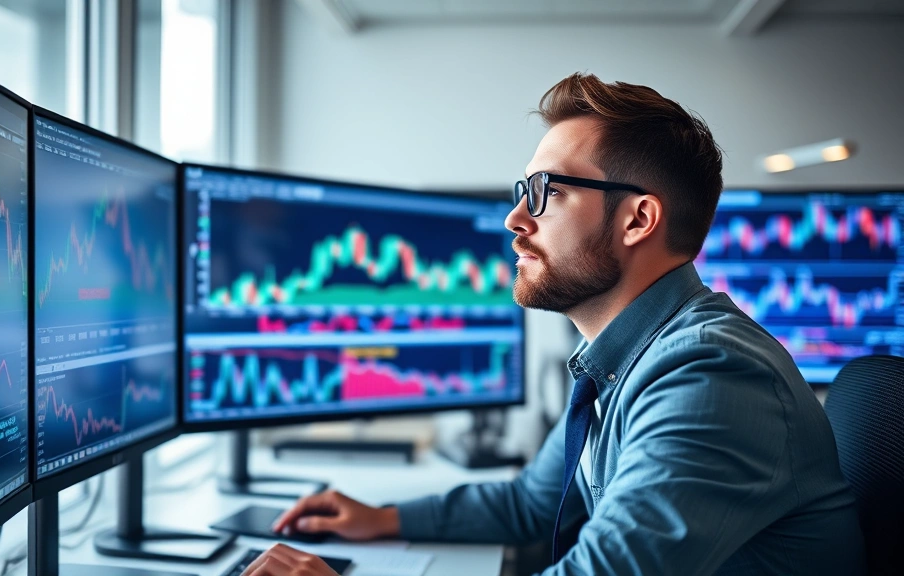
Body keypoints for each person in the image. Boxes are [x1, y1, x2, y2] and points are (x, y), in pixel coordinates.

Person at [241, 72, 866, 576]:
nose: (515, 218)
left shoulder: (711, 375)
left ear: (637, 220)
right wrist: (382, 519)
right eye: (522, 190)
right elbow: (533, 503)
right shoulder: (624, 359)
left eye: (546, 191)